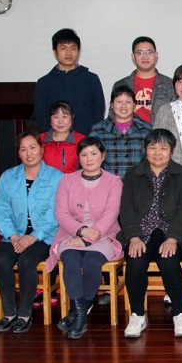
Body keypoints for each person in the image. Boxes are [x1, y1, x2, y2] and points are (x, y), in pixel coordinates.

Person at [45, 137, 123, 339]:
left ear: (102, 156)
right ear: (78, 158)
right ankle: (81, 314)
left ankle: (78, 312)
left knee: (91, 261)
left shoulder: (114, 181)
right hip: (70, 234)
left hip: (104, 235)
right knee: (70, 259)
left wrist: (89, 238)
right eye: (84, 154)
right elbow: (61, 213)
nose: (89, 159)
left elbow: (111, 214)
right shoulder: (67, 180)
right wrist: (81, 232)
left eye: (94, 154)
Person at [119, 129, 182, 338]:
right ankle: (137, 314)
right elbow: (127, 208)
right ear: (146, 150)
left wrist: (173, 238)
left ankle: (180, 313)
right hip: (141, 232)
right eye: (153, 148)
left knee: (168, 259)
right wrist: (133, 237)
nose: (157, 153)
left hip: (171, 232)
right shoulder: (133, 174)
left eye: (163, 148)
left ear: (171, 151)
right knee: (135, 260)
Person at [0, 130, 63, 333]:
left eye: (33, 147)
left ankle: (24, 314)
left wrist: (34, 237)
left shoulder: (56, 177)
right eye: (23, 149)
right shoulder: (8, 177)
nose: (28, 153)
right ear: (19, 153)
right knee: (1, 260)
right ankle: (9, 313)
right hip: (14, 236)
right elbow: (0, 210)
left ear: (41, 150)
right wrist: (13, 235)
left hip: (45, 237)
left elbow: (55, 213)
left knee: (26, 260)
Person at [33, 28, 105, 135]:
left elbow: (98, 114)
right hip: (55, 141)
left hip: (86, 141)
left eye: (73, 48)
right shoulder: (44, 83)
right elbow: (41, 118)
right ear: (55, 52)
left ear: (78, 51)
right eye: (63, 48)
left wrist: (90, 139)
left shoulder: (91, 79)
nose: (69, 52)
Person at [90, 85, 152, 177]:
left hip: (137, 182)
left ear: (134, 105)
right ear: (111, 105)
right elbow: (91, 160)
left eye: (128, 102)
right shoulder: (98, 130)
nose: (123, 106)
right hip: (108, 182)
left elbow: (151, 161)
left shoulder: (146, 129)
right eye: (119, 102)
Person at [113, 36, 176, 125]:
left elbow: (177, 117)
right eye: (140, 53)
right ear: (133, 56)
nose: (145, 57)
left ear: (156, 55)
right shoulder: (121, 85)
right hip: (129, 133)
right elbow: (112, 117)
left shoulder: (169, 84)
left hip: (160, 133)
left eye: (149, 52)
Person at [39, 101, 86, 174]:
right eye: (56, 117)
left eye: (64, 117)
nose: (60, 121)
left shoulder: (82, 140)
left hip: (73, 180)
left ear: (72, 118)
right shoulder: (40, 139)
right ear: (50, 119)